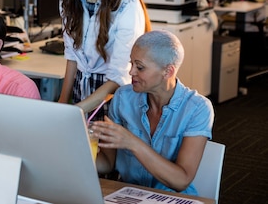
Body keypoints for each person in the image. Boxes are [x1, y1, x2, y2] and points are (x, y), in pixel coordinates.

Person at [91, 30, 214, 195]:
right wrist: (79, 150)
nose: (131, 72)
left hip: (171, 198)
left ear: (168, 72)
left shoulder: (198, 108)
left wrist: (131, 142)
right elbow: (107, 163)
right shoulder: (123, 97)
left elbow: (181, 181)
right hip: (129, 194)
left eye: (140, 67)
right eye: (131, 64)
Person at [57, 0, 150, 119]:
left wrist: (76, 111)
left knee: (103, 148)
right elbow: (72, 55)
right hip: (80, 90)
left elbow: (118, 76)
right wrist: (62, 104)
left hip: (112, 96)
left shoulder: (126, 5)